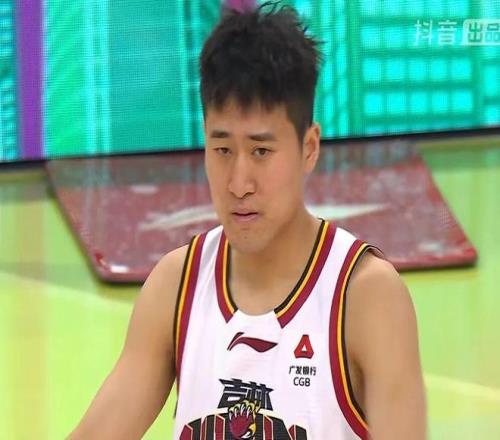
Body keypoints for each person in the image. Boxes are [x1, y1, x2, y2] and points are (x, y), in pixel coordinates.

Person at [69, 3, 426, 439]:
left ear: (309, 147)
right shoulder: (175, 287)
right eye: (222, 150)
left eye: (261, 151)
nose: (239, 183)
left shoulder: (367, 298)